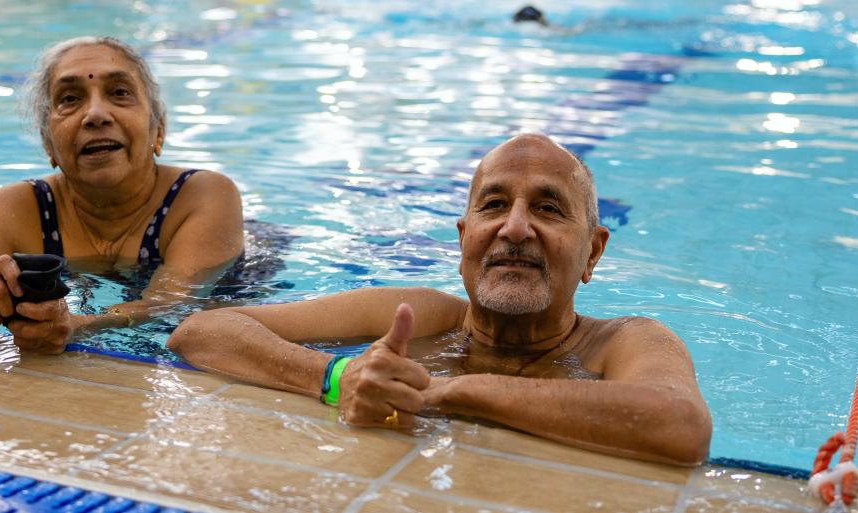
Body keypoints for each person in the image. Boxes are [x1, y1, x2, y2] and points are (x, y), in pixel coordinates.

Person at [169, 134, 711, 466]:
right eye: (494, 204)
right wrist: (336, 377)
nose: (515, 228)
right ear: (463, 240)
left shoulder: (622, 343)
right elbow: (202, 330)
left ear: (592, 253)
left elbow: (681, 427)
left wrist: (452, 392)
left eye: (548, 209)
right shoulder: (419, 315)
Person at [0, 36, 244, 354]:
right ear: (49, 144)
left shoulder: (202, 197)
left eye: (119, 93)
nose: (96, 114)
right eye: (70, 98)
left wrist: (78, 324)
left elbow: (169, 304)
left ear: (158, 130)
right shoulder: (21, 208)